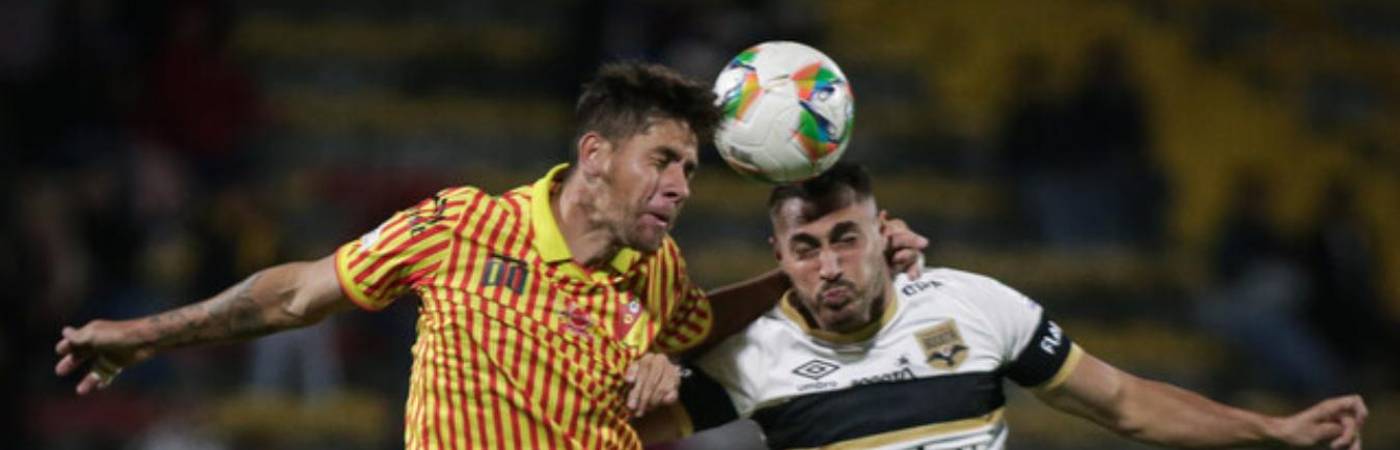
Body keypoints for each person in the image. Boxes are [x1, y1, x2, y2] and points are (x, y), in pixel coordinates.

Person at [53, 63, 927, 450]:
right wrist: (147, 333)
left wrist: (818, 271)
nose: (682, 185)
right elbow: (295, 296)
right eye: (663, 160)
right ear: (594, 157)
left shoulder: (655, 270)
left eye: (691, 170)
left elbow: (700, 327)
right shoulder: (461, 227)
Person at [637, 162, 1368, 450]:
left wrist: (1273, 430)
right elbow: (627, 431)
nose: (829, 265)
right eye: (805, 247)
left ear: (880, 227)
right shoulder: (753, 354)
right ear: (778, 257)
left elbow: (1125, 402)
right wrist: (652, 362)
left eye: (846, 238)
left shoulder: (974, 304)